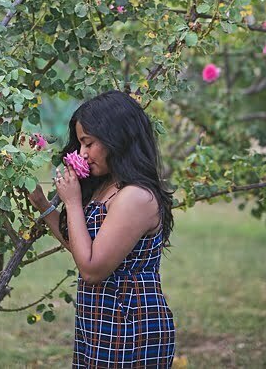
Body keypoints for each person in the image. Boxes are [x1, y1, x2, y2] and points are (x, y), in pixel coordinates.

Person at [28, 90, 176, 368]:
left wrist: (72, 202)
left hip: (130, 323)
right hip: (99, 317)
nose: (82, 154)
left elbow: (92, 268)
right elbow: (83, 248)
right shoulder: (107, 186)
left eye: (89, 143)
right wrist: (44, 206)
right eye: (81, 144)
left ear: (116, 139)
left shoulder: (135, 197)